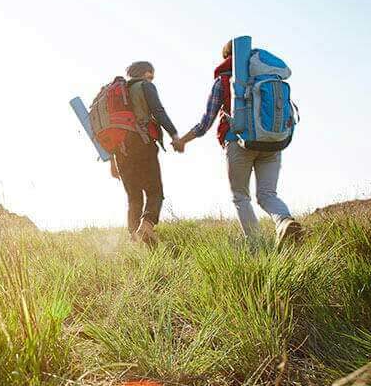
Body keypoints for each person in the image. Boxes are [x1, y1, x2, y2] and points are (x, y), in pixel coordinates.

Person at [173, 41, 304, 248]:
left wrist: (182, 141)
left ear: (226, 57)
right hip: (272, 143)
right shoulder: (270, 77)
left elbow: (206, 122)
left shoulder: (225, 80)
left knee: (241, 196)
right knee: (267, 194)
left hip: (238, 144)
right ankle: (284, 222)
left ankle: (257, 245)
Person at [111, 61, 180, 245]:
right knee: (155, 191)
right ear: (146, 73)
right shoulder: (145, 86)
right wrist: (173, 133)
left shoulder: (118, 94)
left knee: (133, 197)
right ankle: (147, 226)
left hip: (120, 151)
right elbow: (158, 111)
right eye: (151, 74)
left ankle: (135, 241)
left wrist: (111, 161)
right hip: (143, 143)